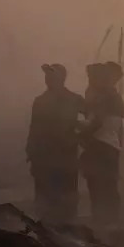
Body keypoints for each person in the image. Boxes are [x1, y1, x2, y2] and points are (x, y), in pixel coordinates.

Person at [80, 62, 124, 224]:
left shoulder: (97, 92)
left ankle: (103, 223)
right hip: (105, 145)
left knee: (100, 188)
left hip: (99, 144)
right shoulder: (106, 93)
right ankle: (108, 224)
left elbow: (114, 111)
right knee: (106, 187)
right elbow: (105, 115)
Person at [27, 64, 83, 223]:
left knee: (67, 199)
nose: (48, 79)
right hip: (44, 159)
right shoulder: (40, 101)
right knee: (45, 201)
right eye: (47, 76)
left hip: (66, 157)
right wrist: (31, 152)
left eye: (52, 76)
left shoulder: (75, 99)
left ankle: (69, 230)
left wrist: (79, 136)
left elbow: (92, 119)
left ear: (61, 78)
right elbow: (34, 129)